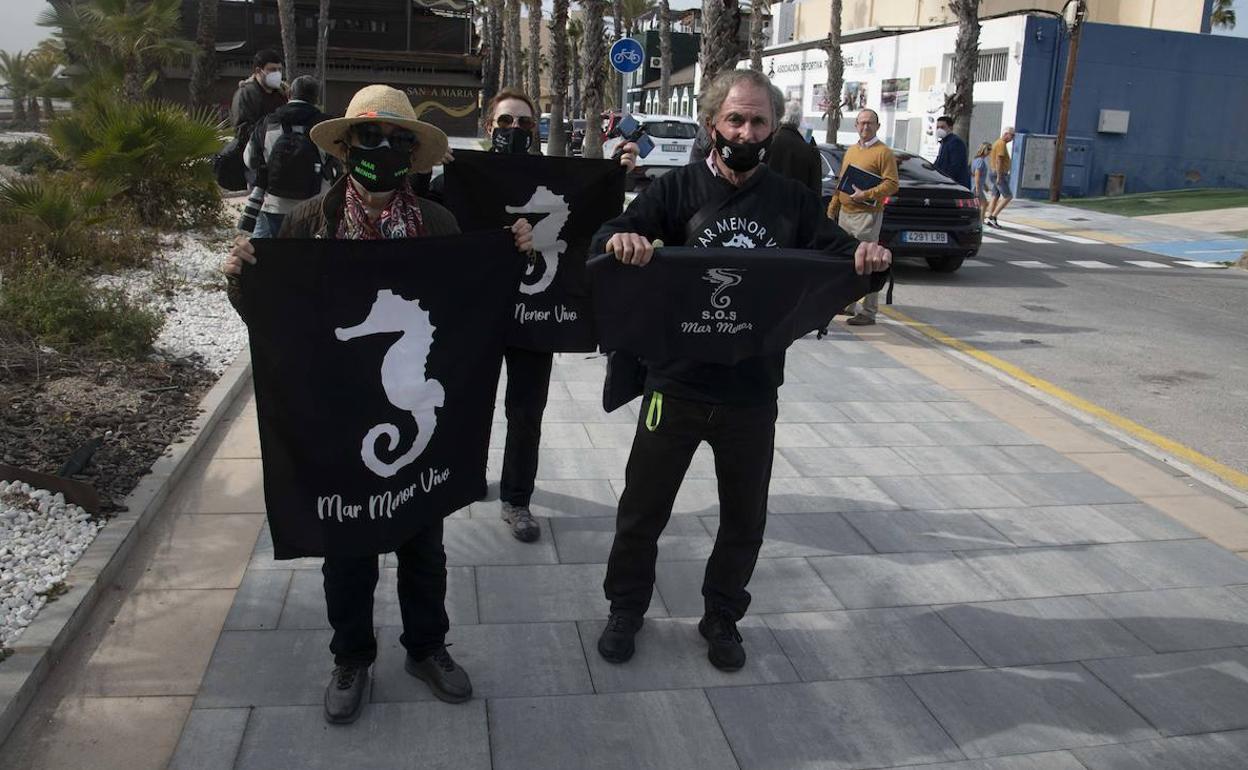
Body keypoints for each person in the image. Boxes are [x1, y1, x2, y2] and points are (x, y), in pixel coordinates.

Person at [221, 85, 535, 725]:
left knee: (424, 537)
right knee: (348, 544)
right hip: (339, 412)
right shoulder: (310, 221)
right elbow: (276, 318)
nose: (382, 151)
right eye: (369, 137)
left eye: (398, 141)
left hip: (412, 412)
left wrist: (511, 257)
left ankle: (427, 647)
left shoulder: (440, 225)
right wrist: (243, 277)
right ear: (345, 146)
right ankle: (352, 655)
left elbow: (465, 313)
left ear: (414, 155)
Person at [589, 69, 892, 671]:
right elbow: (609, 235)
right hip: (672, 387)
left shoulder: (793, 201)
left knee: (744, 517)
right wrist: (625, 242)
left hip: (751, 392)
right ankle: (626, 608)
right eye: (735, 119)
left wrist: (870, 259)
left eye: (757, 121)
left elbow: (843, 260)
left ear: (773, 129)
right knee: (642, 510)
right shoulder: (674, 191)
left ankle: (722, 614)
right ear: (712, 124)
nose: (745, 131)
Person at [434, 88, 637, 543]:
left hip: (536, 315)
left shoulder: (553, 176)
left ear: (536, 130)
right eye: (505, 122)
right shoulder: (464, 172)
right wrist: (437, 170)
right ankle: (465, 479)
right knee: (468, 403)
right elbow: (432, 218)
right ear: (490, 126)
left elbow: (598, 220)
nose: (514, 131)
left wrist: (616, 174)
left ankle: (517, 498)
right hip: (481, 314)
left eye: (524, 123)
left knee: (526, 411)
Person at [827, 108, 898, 326]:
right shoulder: (852, 150)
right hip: (845, 215)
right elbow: (842, 181)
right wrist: (833, 207)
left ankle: (868, 312)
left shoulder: (883, 152)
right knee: (848, 261)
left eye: (870, 123)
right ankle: (848, 304)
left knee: (869, 261)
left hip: (867, 216)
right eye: (861, 123)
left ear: (877, 126)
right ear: (856, 126)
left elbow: (892, 184)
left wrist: (866, 195)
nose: (865, 126)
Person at [244, 75, 331, 238]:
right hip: (315, 207)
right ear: (316, 98)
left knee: (276, 258)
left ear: (289, 94)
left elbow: (249, 159)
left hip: (275, 205)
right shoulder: (325, 125)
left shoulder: (268, 123)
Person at [230, 49, 288, 181]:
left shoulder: (281, 94)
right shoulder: (246, 94)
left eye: (279, 69)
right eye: (272, 69)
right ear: (258, 71)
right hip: (255, 160)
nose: (277, 74)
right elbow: (242, 129)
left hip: (280, 158)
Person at [765, 99, 822, 193]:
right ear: (799, 120)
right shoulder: (810, 151)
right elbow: (815, 193)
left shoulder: (767, 143)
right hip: (799, 205)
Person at [986, 126, 1015, 228]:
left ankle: (989, 215)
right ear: (1006, 134)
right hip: (999, 173)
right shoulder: (1001, 144)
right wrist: (999, 176)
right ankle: (993, 217)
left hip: (995, 172)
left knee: (995, 195)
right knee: (1008, 196)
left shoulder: (998, 143)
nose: (1012, 138)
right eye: (1012, 135)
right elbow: (999, 160)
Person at [933, 115, 971, 189]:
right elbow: (938, 163)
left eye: (942, 127)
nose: (939, 130)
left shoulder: (955, 142)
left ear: (950, 128)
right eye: (937, 127)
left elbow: (955, 166)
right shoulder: (944, 142)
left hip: (956, 185)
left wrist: (945, 180)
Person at [971, 141, 992, 221]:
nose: (990, 151)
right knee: (984, 204)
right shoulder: (980, 161)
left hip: (978, 185)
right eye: (989, 149)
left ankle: (979, 220)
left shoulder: (976, 160)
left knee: (980, 204)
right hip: (977, 186)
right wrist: (977, 187)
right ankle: (981, 221)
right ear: (984, 149)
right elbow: (977, 174)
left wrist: (985, 186)